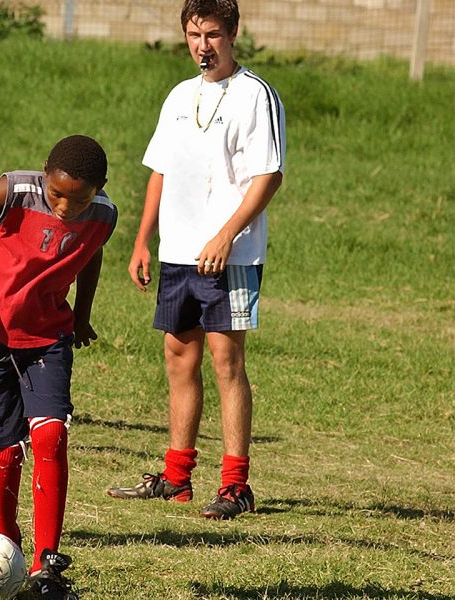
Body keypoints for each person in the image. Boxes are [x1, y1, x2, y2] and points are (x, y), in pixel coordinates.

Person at [106, 0, 285, 520]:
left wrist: (228, 234)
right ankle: (176, 477)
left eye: (211, 35)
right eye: (192, 34)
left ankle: (235, 485)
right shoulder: (180, 96)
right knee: (177, 358)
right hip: (178, 254)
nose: (202, 46)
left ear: (232, 34)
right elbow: (160, 169)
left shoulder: (256, 95)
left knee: (227, 363)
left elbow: (268, 175)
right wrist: (143, 239)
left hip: (229, 255)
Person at [0, 135, 117, 600]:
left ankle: (46, 565)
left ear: (100, 188)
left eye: (79, 198)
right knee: (6, 447)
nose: (65, 206)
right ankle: (5, 540)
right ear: (44, 174)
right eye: (57, 193)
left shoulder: (104, 215)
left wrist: (82, 312)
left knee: (51, 436)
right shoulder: (15, 190)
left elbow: (88, 255)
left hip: (48, 337)